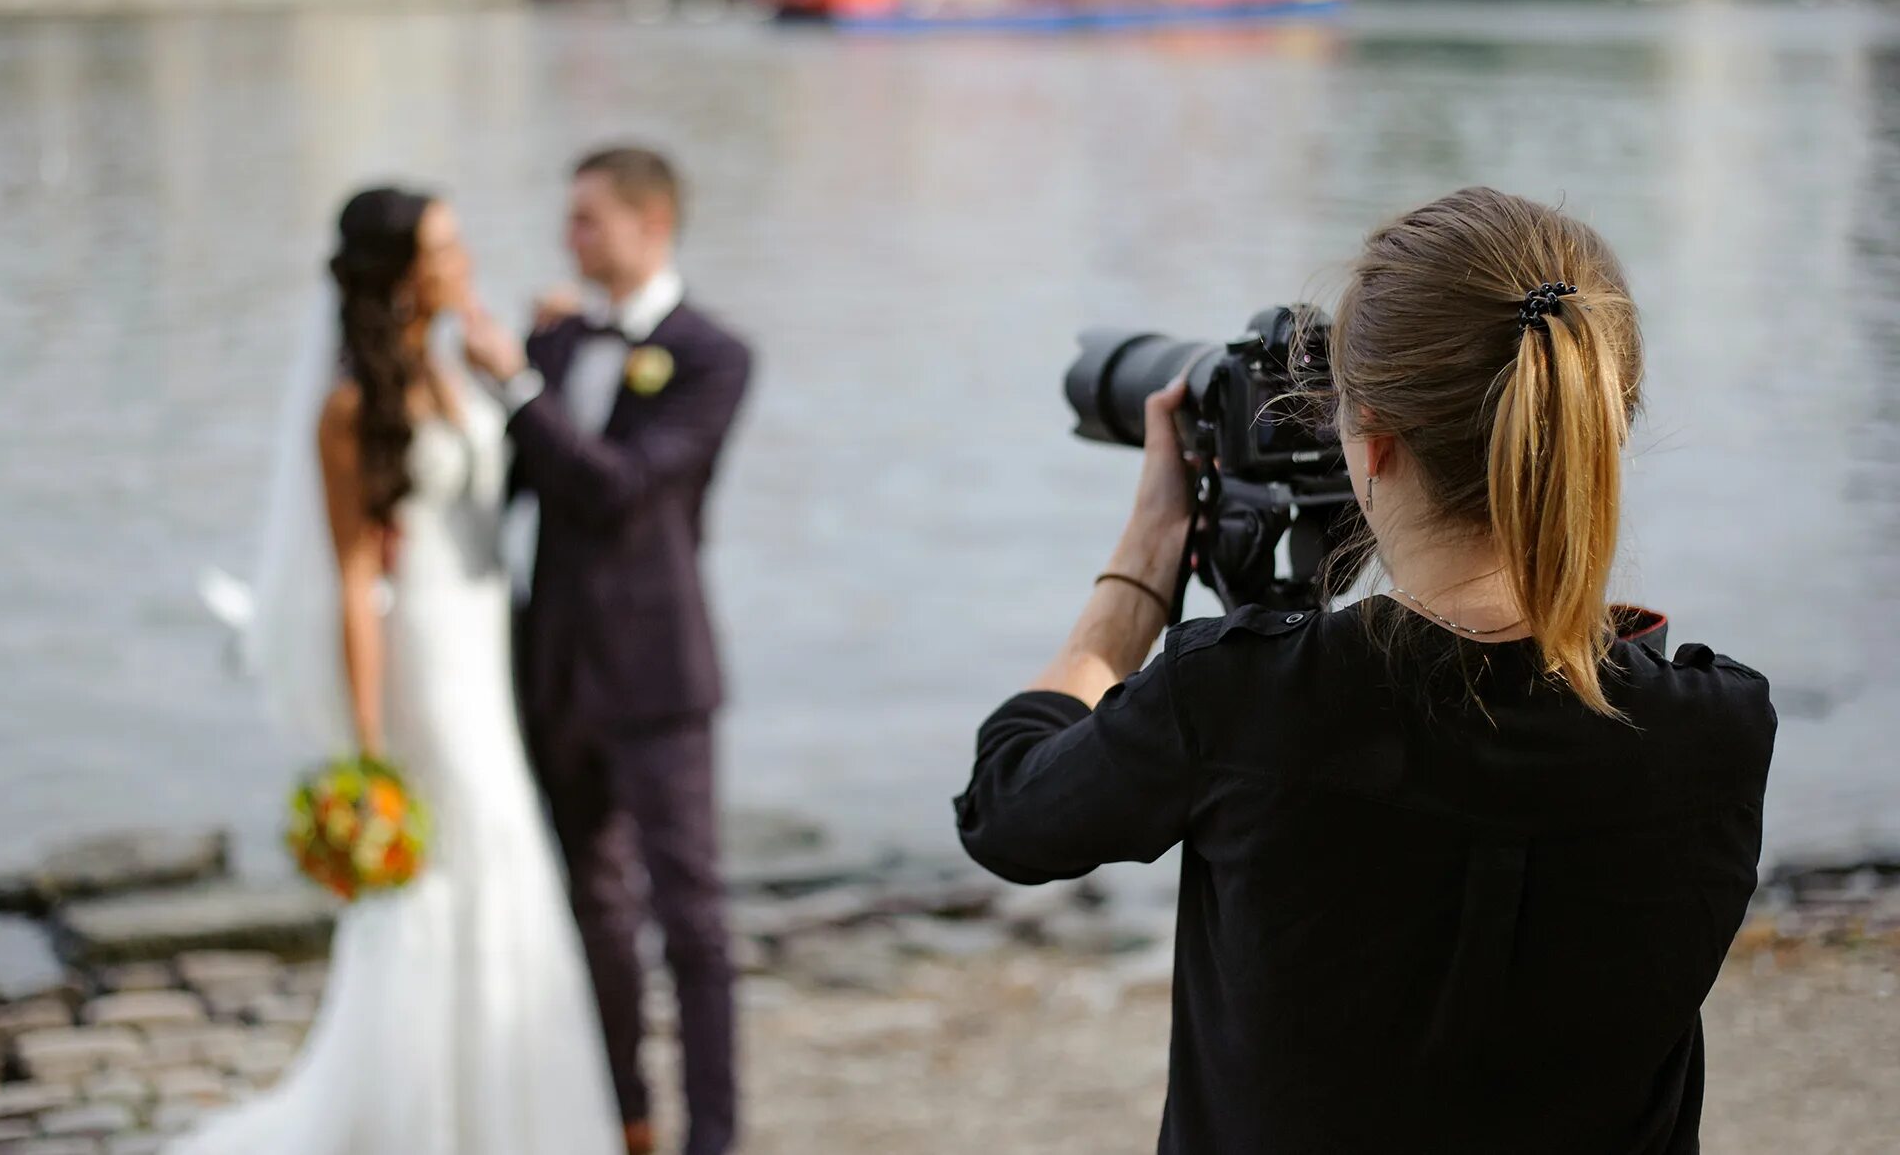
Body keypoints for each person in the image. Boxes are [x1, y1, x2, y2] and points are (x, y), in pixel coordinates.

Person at [955, 188, 1776, 1155]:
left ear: (1372, 439)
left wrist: (1144, 560)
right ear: (1604, 421)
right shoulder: (1718, 730)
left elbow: (1005, 809)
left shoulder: (1241, 704)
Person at [173, 188, 620, 1155]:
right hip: (425, 657)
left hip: (484, 642)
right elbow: (354, 582)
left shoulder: (455, 361)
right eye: (444, 247)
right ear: (401, 272)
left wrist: (531, 355)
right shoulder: (349, 405)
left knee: (505, 850)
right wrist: (368, 745)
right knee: (460, 854)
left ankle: (509, 1104)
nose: (464, 258)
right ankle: (430, 1118)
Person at [463, 148, 754, 1155]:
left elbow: (617, 488)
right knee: (589, 903)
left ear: (650, 223)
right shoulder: (557, 340)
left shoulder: (715, 354)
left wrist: (511, 382)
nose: (568, 239)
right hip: (550, 670)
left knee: (693, 921)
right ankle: (623, 1114)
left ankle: (712, 1138)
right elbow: (507, 483)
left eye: (587, 220)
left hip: (658, 673)